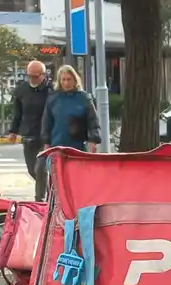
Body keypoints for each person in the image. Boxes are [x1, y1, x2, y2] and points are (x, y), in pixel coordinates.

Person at [41, 65, 101, 197]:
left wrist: (93, 139)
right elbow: (47, 122)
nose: (66, 83)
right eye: (63, 80)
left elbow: (92, 120)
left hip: (77, 144)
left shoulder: (83, 98)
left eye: (69, 79)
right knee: (57, 179)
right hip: (57, 144)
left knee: (77, 178)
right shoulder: (54, 98)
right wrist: (46, 142)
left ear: (75, 80)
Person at [6, 61, 53, 198]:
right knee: (32, 170)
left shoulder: (51, 91)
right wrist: (13, 131)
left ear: (43, 75)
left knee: (40, 170)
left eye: (35, 76)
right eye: (29, 76)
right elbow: (17, 113)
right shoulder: (22, 90)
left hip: (46, 137)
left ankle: (40, 201)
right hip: (28, 136)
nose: (32, 79)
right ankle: (53, 193)